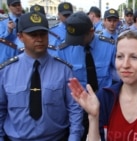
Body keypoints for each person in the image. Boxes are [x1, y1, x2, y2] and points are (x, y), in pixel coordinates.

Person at [68, 30, 137, 141]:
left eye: (134, 57)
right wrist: (93, 117)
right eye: (120, 57)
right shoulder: (105, 97)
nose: (125, 65)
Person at [0, 11, 83, 140]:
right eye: (33, 35)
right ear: (20, 37)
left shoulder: (64, 70)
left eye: (43, 34)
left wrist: (74, 137)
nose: (39, 39)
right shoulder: (6, 71)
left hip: (56, 138)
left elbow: (74, 108)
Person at [58, 11, 116, 140]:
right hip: (79, 108)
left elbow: (118, 76)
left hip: (106, 104)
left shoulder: (109, 46)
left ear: (91, 31)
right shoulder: (64, 50)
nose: (76, 42)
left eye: (80, 38)